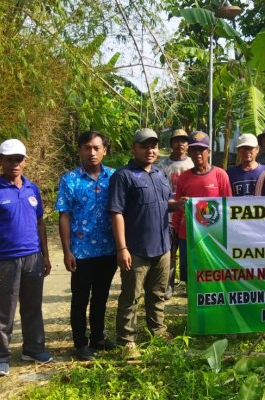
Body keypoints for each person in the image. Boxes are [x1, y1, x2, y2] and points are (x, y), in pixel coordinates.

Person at [0, 139, 53, 376]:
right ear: (0, 161)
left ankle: (33, 348)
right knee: (3, 311)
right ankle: (0, 357)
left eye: (18, 160)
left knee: (33, 307)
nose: (14, 164)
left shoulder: (32, 189)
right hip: (5, 260)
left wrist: (46, 256)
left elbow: (40, 224)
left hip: (33, 257)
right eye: (9, 160)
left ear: (25, 161)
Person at [108, 128, 182, 359]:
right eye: (144, 146)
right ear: (134, 148)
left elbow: (165, 202)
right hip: (136, 249)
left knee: (158, 293)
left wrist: (178, 204)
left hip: (162, 246)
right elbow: (116, 213)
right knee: (131, 297)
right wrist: (122, 248)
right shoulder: (123, 176)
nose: (150, 150)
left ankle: (157, 330)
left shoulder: (160, 174)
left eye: (153, 146)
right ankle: (126, 339)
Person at [55, 131, 117, 362]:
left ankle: (98, 337)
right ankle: (80, 343)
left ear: (104, 150)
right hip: (81, 252)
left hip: (108, 250)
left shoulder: (114, 177)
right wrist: (67, 250)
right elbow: (64, 216)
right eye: (87, 147)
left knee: (101, 296)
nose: (92, 152)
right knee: (80, 298)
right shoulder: (69, 180)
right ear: (80, 150)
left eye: (96, 148)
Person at [172, 131, 233, 285]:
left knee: (212, 274)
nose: (198, 153)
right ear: (189, 152)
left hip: (213, 235)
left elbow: (228, 206)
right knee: (191, 276)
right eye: (194, 150)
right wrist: (176, 233)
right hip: (188, 234)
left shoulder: (220, 175)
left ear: (209, 152)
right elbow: (179, 207)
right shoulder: (184, 177)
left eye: (201, 149)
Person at [156, 129, 193, 300]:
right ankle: (167, 285)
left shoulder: (193, 163)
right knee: (169, 253)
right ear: (171, 144)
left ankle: (189, 285)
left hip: (189, 218)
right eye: (177, 140)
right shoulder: (161, 166)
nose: (181, 144)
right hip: (168, 216)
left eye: (184, 140)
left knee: (189, 254)